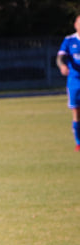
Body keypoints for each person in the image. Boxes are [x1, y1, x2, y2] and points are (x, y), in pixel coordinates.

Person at [57, 14, 80, 151]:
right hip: (75, 81)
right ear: (75, 25)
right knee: (76, 112)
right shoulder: (69, 40)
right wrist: (62, 65)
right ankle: (78, 142)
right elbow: (60, 57)